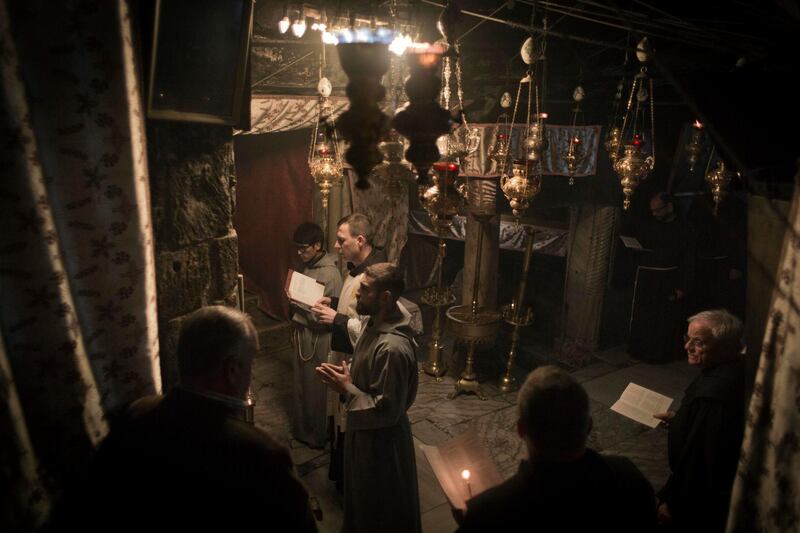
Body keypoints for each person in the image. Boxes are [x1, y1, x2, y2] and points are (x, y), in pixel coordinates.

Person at [49, 306, 317, 532]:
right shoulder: (262, 455)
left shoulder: (137, 414)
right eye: (251, 363)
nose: (252, 372)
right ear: (233, 370)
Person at [456, 366, 657, 533]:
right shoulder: (630, 480)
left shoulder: (490, 511)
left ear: (520, 429)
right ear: (589, 426)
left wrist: (469, 520)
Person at [316, 263, 421, 533]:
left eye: (363, 290)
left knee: (379, 510)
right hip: (365, 435)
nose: (355, 296)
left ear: (385, 297)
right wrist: (352, 374)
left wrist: (346, 388)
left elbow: (387, 409)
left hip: (382, 444)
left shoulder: (393, 348)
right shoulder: (376, 320)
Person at [310, 213, 386, 488]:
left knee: (351, 424)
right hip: (343, 355)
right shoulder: (354, 268)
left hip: (357, 364)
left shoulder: (374, 277)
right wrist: (332, 301)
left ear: (360, 240)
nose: (336, 245)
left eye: (342, 240)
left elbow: (371, 329)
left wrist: (336, 319)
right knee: (339, 425)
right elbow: (351, 304)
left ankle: (355, 488)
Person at [653, 309, 745, 533]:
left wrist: (673, 502)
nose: (687, 347)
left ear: (725, 346)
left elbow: (700, 460)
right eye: (687, 339)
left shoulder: (715, 397)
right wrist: (681, 421)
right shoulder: (730, 368)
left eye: (698, 342)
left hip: (696, 505)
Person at [289, 222, 342, 449]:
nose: (300, 253)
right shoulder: (308, 265)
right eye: (298, 249)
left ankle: (316, 434)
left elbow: (329, 315)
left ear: (317, 245)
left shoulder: (331, 273)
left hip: (319, 339)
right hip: (303, 334)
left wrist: (301, 306)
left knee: (316, 389)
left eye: (304, 248)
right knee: (302, 385)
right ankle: (303, 430)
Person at [629, 191, 696, 362]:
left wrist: (683, 286)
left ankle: (659, 355)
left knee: (663, 320)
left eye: (658, 210)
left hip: (668, 279)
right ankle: (640, 351)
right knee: (644, 318)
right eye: (652, 211)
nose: (655, 214)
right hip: (647, 278)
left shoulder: (684, 228)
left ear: (670, 206)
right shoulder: (650, 225)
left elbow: (688, 258)